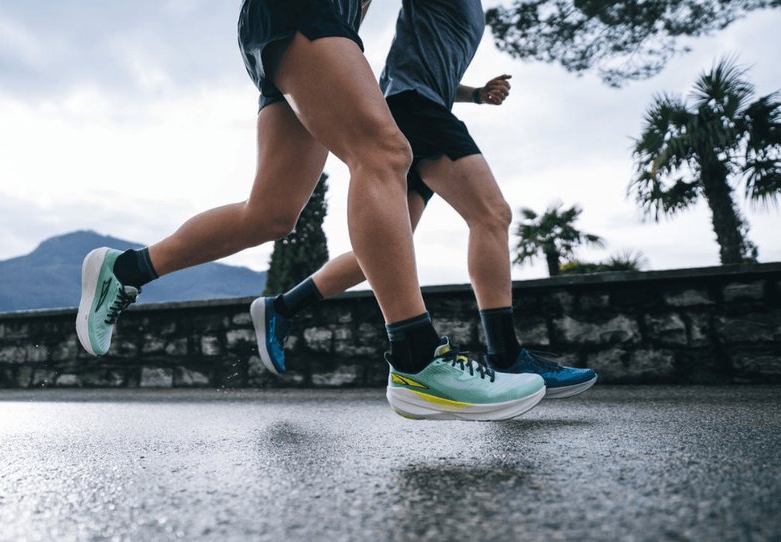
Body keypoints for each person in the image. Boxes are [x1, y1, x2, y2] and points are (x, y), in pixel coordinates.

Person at [77, 0, 546, 421]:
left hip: (306, 24)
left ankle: (127, 269)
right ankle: (416, 357)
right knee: (384, 152)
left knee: (272, 213)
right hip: (304, 14)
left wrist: (346, 45)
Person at [250, 0, 597, 402]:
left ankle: (283, 306)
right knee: (491, 214)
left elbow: (436, 72)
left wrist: (476, 94)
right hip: (415, 107)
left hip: (417, 104)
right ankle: (507, 356)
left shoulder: (474, 12)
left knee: (387, 249)